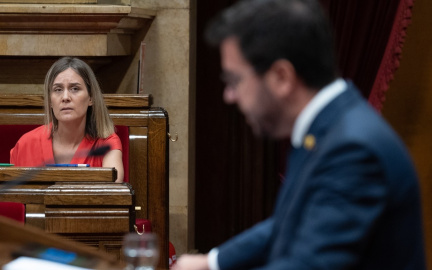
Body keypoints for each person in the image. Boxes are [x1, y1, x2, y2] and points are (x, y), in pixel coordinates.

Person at [174, 0, 425, 269]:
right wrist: (212, 262)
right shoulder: (327, 128)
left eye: (235, 81)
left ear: (282, 77)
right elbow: (289, 223)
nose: (229, 96)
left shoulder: (352, 149)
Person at [10, 57, 124, 182]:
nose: (65, 97)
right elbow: (13, 198)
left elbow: (113, 193)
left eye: (75, 89)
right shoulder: (26, 143)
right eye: (58, 90)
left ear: (91, 98)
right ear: (50, 101)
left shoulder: (106, 143)